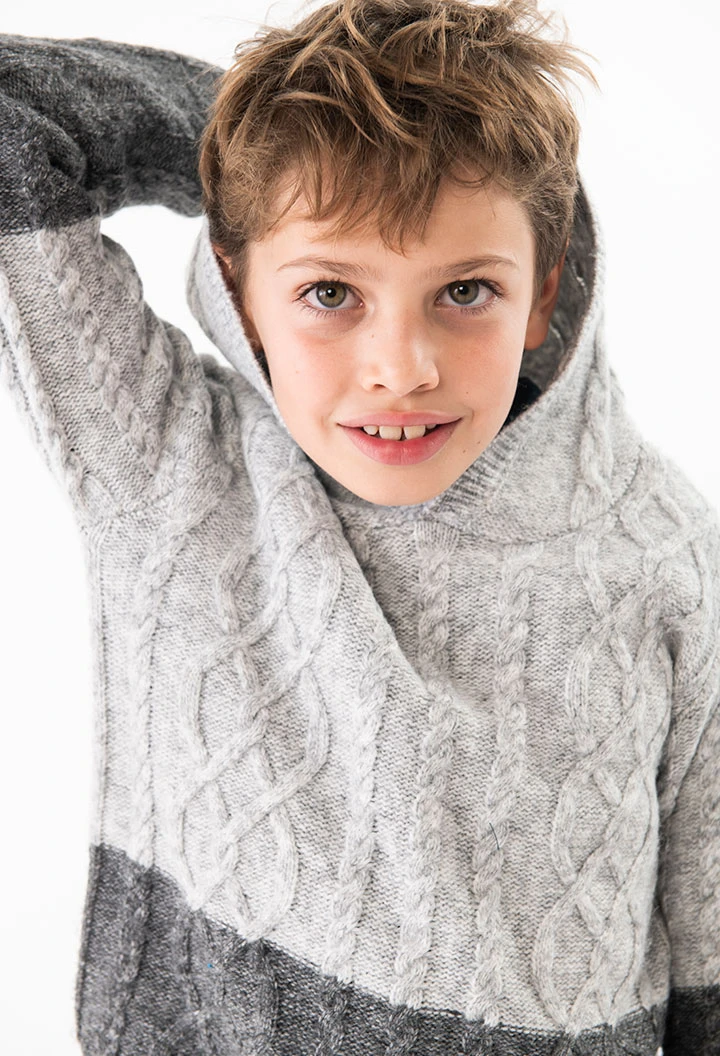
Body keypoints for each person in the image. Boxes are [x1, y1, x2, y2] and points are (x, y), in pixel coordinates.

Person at [0, 1, 717, 1053]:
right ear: (240, 289)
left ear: (545, 287)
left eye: (465, 290)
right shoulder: (170, 463)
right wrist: (260, 146)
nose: (402, 366)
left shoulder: (664, 553)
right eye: (331, 290)